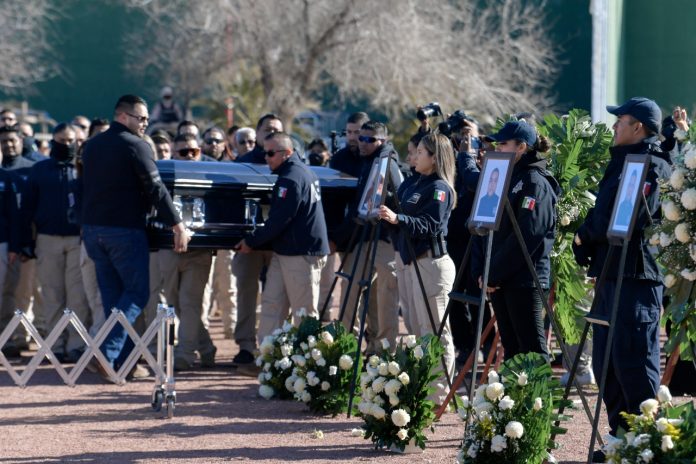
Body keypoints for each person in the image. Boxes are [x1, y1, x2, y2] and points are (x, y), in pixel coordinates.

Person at [572, 97, 670, 460]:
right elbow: (605, 211)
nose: (614, 126)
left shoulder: (653, 165)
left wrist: (586, 234)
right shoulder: (623, 161)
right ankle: (621, 438)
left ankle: (646, 444)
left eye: (620, 120)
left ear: (638, 127)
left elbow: (629, 216)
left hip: (636, 275)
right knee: (607, 363)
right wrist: (587, 237)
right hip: (611, 270)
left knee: (634, 361)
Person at [81, 94, 188, 381]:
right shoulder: (136, 145)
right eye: (140, 118)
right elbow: (155, 188)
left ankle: (122, 363)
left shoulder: (92, 146)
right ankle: (107, 353)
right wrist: (177, 224)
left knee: (115, 299)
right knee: (137, 294)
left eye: (146, 119)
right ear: (122, 116)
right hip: (124, 230)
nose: (145, 124)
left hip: (93, 231)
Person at [378, 133, 457, 401]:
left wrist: (397, 218)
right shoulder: (413, 183)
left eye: (421, 152)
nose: (414, 156)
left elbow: (430, 225)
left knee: (435, 330)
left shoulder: (439, 188)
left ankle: (439, 396)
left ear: (434, 158)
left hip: (431, 264)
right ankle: (426, 387)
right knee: (418, 328)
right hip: (412, 262)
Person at [471, 120, 559, 361]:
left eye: (503, 143)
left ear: (521, 147)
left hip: (525, 280)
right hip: (502, 279)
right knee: (512, 352)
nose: (497, 148)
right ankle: (514, 388)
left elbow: (527, 236)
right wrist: (486, 272)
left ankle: (537, 389)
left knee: (532, 352)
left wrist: (493, 272)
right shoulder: (507, 178)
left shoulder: (535, 182)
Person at [237, 131, 329, 343]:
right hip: (288, 251)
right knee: (272, 304)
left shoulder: (291, 178)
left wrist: (251, 241)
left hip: (301, 254)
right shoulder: (300, 172)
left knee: (303, 314)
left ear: (286, 153)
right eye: (264, 152)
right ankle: (267, 355)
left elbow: (279, 220)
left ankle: (309, 360)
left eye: (270, 153)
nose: (266, 158)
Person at [24, 123, 91, 363]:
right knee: (52, 295)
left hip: (77, 240)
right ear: (53, 141)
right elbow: (27, 207)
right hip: (47, 239)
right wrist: (26, 242)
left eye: (71, 140)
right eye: (62, 140)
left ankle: (76, 346)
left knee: (77, 295)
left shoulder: (83, 170)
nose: (67, 144)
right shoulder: (39, 170)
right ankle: (54, 346)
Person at [335, 121, 401, 352]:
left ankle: (383, 351)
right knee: (349, 288)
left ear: (382, 141)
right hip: (362, 237)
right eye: (360, 138)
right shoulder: (367, 161)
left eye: (369, 139)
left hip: (384, 238)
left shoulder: (388, 163)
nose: (362, 143)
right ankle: (345, 347)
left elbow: (400, 199)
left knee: (385, 297)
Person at [158, 134, 217, 370]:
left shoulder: (212, 176)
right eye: (184, 152)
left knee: (190, 303)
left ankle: (184, 354)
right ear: (174, 154)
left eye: (194, 151)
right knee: (175, 303)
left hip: (199, 251)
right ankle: (206, 347)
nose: (189, 156)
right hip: (169, 248)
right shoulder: (163, 177)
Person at [230, 114, 281, 366]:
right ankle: (246, 346)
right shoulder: (242, 163)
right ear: (258, 133)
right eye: (267, 129)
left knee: (276, 297)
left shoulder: (289, 161)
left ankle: (275, 346)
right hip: (248, 242)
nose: (271, 133)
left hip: (278, 242)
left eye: (276, 130)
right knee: (246, 294)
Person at [330, 112, 369, 177]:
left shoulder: (375, 158)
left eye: (357, 132)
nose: (352, 138)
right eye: (349, 132)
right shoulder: (338, 159)